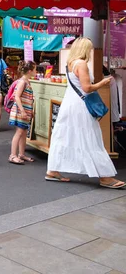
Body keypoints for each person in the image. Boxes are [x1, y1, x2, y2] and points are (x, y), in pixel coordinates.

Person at [46, 37, 125, 188]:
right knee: (92, 137)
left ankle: (53, 170)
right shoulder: (82, 64)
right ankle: (105, 177)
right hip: (80, 106)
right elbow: (87, 88)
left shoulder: (70, 63)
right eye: (89, 48)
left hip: (69, 103)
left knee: (64, 136)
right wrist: (103, 82)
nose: (91, 50)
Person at [8, 61, 36, 165]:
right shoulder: (23, 82)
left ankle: (21, 154)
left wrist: (30, 111)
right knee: (19, 132)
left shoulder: (26, 81)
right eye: (35, 70)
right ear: (29, 71)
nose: (36, 72)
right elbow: (17, 97)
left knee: (23, 133)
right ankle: (13, 155)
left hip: (24, 111)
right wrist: (23, 111)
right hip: (21, 112)